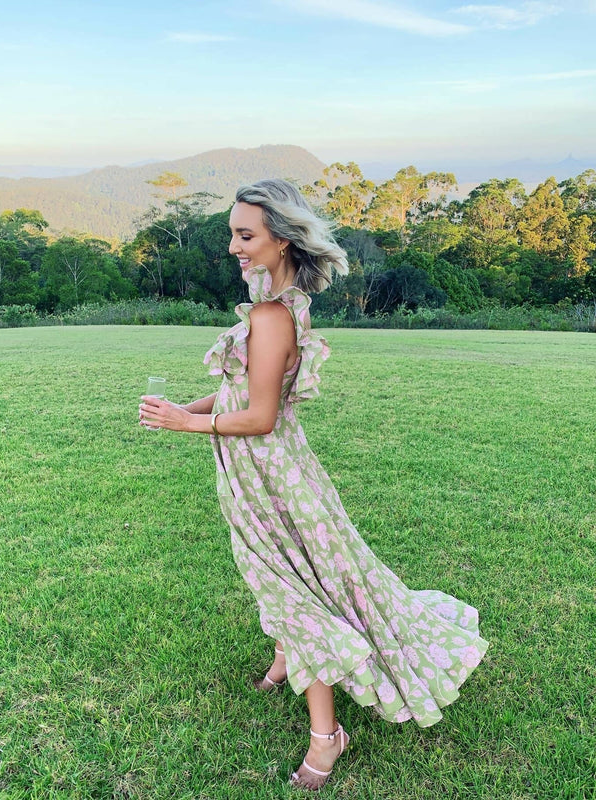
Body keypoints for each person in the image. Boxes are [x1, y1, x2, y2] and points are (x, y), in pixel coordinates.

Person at [138, 178, 489, 790]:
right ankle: (285, 657)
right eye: (232, 234)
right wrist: (182, 409)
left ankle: (327, 736)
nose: (233, 248)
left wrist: (185, 424)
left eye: (245, 235)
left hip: (272, 477)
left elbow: (259, 417)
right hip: (268, 471)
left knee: (297, 591)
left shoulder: (271, 316)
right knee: (285, 575)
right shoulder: (280, 305)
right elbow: (241, 393)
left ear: (281, 239)